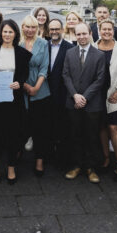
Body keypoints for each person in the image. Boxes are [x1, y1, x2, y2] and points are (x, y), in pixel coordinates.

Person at [0, 19, 32, 184]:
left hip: (14, 100)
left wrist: (19, 82)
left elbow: (24, 74)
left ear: (15, 34)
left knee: (13, 134)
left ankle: (11, 167)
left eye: (10, 32)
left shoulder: (22, 53)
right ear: (0, 33)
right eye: (4, 31)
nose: (7, 34)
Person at [62, 23, 106, 184]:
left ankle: (91, 168)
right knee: (75, 135)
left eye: (84, 34)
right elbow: (65, 75)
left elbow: (100, 79)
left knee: (92, 136)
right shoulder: (69, 53)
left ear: (90, 34)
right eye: (78, 34)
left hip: (92, 103)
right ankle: (76, 166)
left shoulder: (99, 55)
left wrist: (84, 97)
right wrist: (75, 95)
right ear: (75, 35)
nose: (81, 37)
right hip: (73, 102)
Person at [95, 19, 117, 181]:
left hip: (114, 96)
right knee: (101, 128)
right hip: (97, 96)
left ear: (113, 31)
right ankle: (106, 158)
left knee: (114, 128)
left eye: (109, 29)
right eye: (104, 29)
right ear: (99, 30)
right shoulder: (93, 47)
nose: (106, 32)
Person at [19, 15, 51, 176]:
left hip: (41, 91)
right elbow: (15, 68)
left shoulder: (44, 43)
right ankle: (18, 154)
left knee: (41, 128)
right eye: (27, 27)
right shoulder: (17, 44)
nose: (30, 30)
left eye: (33, 27)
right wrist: (25, 86)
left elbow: (45, 67)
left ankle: (39, 160)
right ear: (22, 27)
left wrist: (35, 88)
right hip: (21, 90)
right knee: (23, 125)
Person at [47, 18, 72, 167]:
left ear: (62, 30)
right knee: (48, 127)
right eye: (52, 29)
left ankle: (63, 158)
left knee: (63, 128)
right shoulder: (44, 46)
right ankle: (49, 155)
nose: (54, 32)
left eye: (57, 29)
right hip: (46, 93)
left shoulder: (70, 48)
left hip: (63, 94)